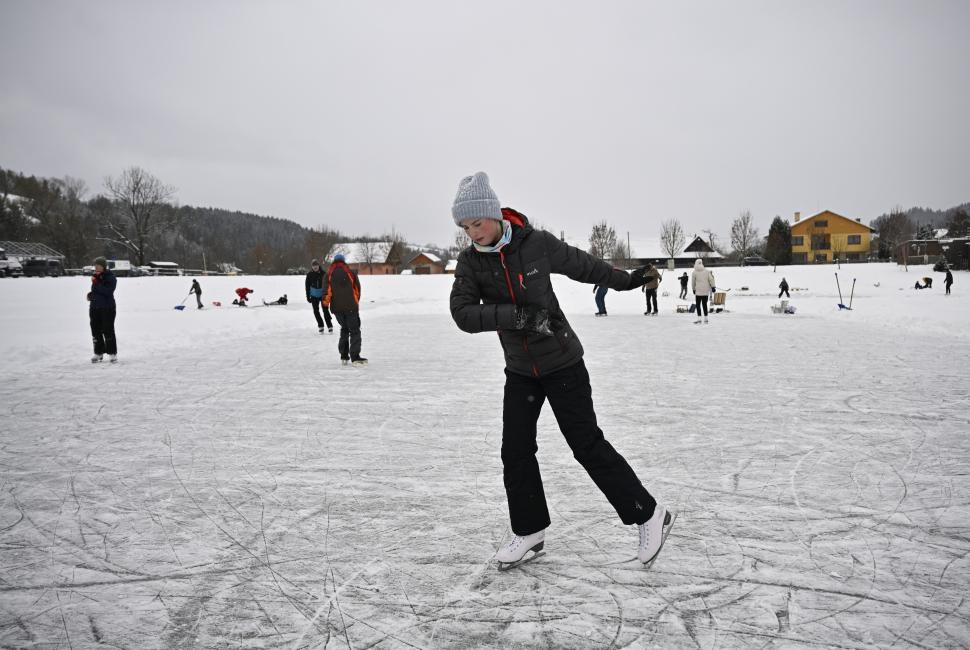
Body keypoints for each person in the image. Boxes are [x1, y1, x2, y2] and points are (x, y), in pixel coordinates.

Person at [449, 172, 670, 569]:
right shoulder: (470, 263)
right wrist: (518, 316)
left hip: (562, 361)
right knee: (515, 451)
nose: (472, 233)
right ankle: (529, 531)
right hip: (520, 370)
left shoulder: (536, 244)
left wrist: (627, 281)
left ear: (494, 214)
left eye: (476, 223)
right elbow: (463, 314)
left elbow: (584, 266)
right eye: (465, 227)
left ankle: (648, 513)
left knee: (586, 445)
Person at [324, 253, 366, 365]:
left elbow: (326, 292)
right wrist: (355, 302)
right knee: (355, 331)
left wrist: (325, 306)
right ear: (343, 261)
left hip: (337, 309)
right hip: (351, 307)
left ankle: (344, 355)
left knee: (344, 329)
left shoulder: (329, 274)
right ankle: (355, 356)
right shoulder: (350, 272)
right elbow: (357, 289)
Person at [87, 256, 118, 363]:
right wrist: (90, 295)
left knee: (108, 330)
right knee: (95, 330)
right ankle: (98, 352)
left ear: (103, 266)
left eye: (98, 265)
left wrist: (97, 283)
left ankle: (112, 353)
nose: (96, 267)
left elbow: (108, 291)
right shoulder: (96, 276)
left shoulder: (110, 277)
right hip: (95, 308)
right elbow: (97, 291)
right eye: (95, 265)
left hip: (107, 308)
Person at [305, 259, 333, 333]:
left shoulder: (324, 273)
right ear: (312, 267)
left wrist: (328, 294)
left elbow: (328, 285)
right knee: (316, 311)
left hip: (323, 295)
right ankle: (321, 325)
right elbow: (307, 286)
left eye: (316, 265)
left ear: (318, 266)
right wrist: (308, 296)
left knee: (325, 311)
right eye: (313, 266)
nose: (315, 267)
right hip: (314, 296)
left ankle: (330, 326)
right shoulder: (309, 274)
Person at [691, 259, 715, 324]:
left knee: (698, 305)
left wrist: (693, 289)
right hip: (705, 292)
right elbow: (711, 279)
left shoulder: (694, 272)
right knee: (704, 305)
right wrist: (713, 287)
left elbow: (693, 282)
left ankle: (699, 319)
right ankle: (706, 319)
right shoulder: (707, 271)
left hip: (698, 292)